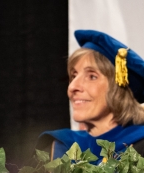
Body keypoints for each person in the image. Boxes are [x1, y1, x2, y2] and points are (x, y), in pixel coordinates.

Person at [38, 30, 144, 161]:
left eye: (92, 76)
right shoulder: (58, 147)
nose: (72, 87)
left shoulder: (139, 148)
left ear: (119, 90)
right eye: (74, 76)